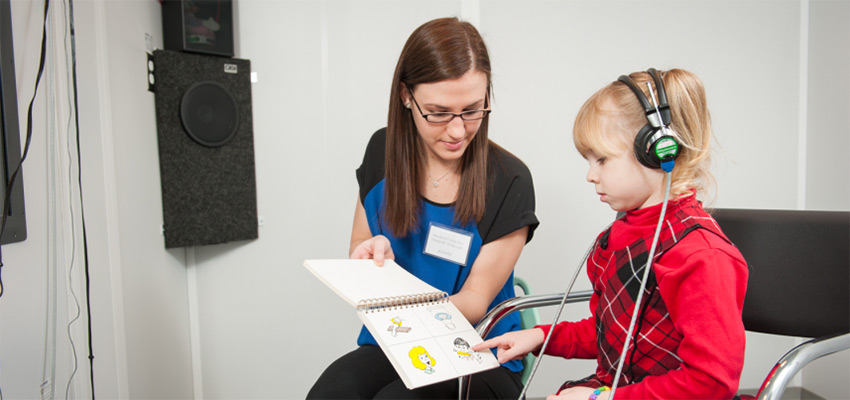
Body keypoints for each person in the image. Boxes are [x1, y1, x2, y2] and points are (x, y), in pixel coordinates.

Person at [474, 68, 748, 399]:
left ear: (656, 152)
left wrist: (600, 398)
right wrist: (540, 336)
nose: (590, 175)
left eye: (602, 160)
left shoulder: (700, 256)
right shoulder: (619, 237)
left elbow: (711, 382)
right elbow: (612, 334)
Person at [307, 17, 539, 399]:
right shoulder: (382, 152)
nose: (458, 131)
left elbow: (475, 301)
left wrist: (402, 317)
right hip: (397, 339)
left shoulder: (509, 179)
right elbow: (360, 245)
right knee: (332, 392)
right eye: (439, 112)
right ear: (405, 96)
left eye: (473, 110)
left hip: (479, 349)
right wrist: (368, 256)